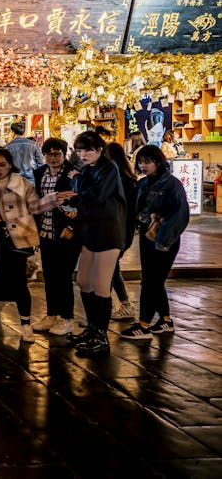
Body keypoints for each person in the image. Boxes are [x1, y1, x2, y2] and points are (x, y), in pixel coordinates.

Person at [0, 148, 74, 341]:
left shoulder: (22, 183)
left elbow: (35, 206)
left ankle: (25, 325)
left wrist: (54, 199)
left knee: (18, 282)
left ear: (10, 165)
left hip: (16, 237)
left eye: (2, 165)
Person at [119, 145, 190, 341]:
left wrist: (164, 240)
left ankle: (143, 324)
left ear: (158, 162)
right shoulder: (144, 183)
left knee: (152, 281)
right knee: (153, 280)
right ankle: (165, 320)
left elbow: (180, 215)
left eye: (147, 162)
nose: (143, 165)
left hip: (163, 238)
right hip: (147, 237)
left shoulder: (171, 184)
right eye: (140, 162)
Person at [67, 131, 127, 357]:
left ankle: (102, 337)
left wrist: (76, 180)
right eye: (80, 150)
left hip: (108, 232)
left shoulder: (109, 168)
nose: (83, 155)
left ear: (100, 150)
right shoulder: (88, 169)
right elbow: (83, 196)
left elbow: (97, 196)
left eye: (88, 150)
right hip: (90, 230)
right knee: (83, 281)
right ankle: (92, 329)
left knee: (101, 285)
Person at [31, 138, 82, 336]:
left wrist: (72, 226)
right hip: (45, 230)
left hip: (65, 232)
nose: (53, 158)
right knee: (50, 275)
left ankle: (66, 317)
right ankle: (51, 314)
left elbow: (80, 202)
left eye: (57, 154)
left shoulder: (73, 174)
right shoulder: (40, 173)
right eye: (49, 154)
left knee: (64, 276)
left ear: (64, 154)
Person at [106, 142, 139, 323]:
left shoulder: (120, 181)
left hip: (117, 231)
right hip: (123, 231)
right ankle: (121, 305)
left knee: (109, 268)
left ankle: (121, 305)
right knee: (111, 268)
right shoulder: (129, 180)